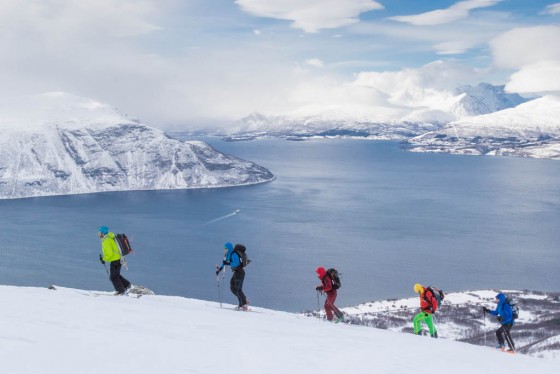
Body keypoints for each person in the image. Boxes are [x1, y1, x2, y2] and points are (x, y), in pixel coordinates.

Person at [98, 226, 131, 295]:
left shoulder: (106, 241)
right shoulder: (111, 236)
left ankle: (120, 291)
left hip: (115, 260)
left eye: (99, 232)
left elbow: (109, 254)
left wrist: (104, 259)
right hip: (119, 258)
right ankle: (127, 285)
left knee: (113, 277)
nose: (98, 234)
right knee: (116, 275)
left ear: (103, 233)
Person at [216, 242, 249, 310]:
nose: (225, 249)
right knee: (232, 288)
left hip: (240, 272)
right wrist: (219, 270)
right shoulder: (228, 255)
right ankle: (241, 303)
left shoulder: (233, 254)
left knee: (238, 289)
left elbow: (236, 263)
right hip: (236, 272)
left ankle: (244, 304)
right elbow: (224, 263)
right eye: (224, 248)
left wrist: (228, 263)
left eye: (226, 248)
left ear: (229, 248)